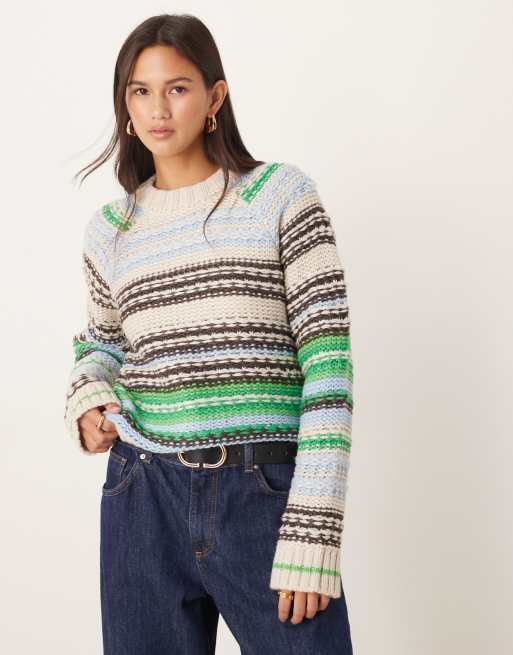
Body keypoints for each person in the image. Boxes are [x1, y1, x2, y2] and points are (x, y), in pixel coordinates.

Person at [64, 13, 355, 655]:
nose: (158, 109)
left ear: (215, 96)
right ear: (124, 105)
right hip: (142, 492)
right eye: (140, 91)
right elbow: (101, 343)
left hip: (263, 492)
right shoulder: (110, 229)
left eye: (178, 88)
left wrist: (315, 525)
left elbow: (329, 368)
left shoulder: (280, 196)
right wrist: (87, 397)